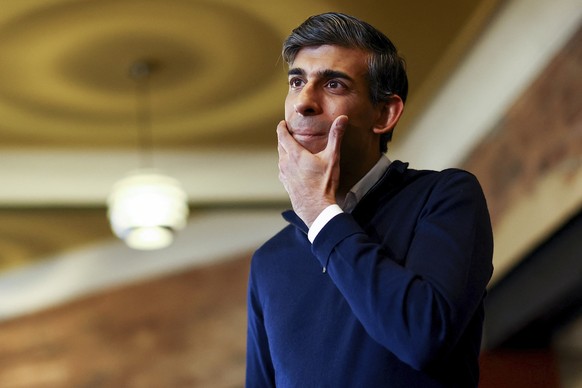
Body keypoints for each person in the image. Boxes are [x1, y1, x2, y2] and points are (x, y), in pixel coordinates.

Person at [246, 12, 493, 387]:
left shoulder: (444, 197)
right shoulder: (269, 261)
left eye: (333, 85)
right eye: (297, 81)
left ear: (384, 113)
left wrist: (320, 213)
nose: (304, 103)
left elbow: (422, 338)